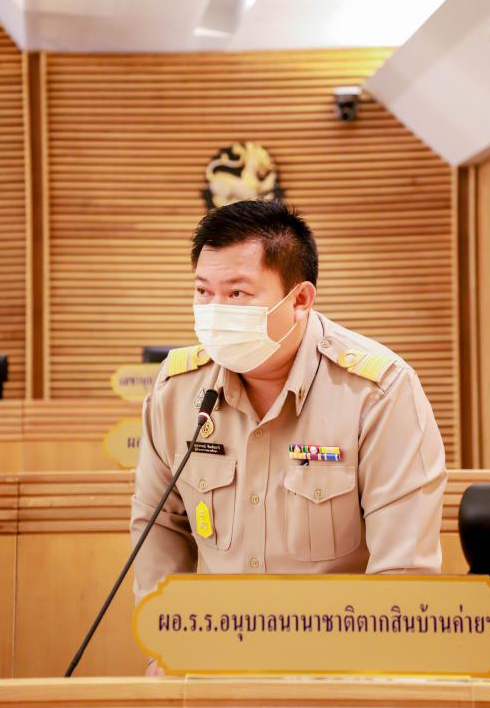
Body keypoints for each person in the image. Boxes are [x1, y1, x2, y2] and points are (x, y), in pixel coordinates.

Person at [130, 200, 447, 676]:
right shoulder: (177, 389)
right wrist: (165, 645)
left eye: (237, 293)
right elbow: (159, 527)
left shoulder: (378, 392)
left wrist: (369, 683)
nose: (214, 311)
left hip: (338, 677)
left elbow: (403, 570)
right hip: (212, 669)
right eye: (203, 291)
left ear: (300, 300)